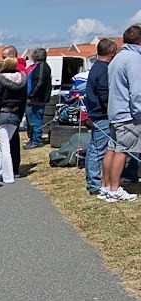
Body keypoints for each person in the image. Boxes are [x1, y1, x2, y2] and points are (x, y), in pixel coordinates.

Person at [101, 24, 141, 203]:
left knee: (112, 149)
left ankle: (106, 186)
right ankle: (115, 189)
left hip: (115, 112)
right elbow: (137, 91)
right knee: (122, 152)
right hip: (128, 114)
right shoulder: (134, 59)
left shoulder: (117, 58)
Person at [0, 57, 27, 184]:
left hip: (2, 114)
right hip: (15, 114)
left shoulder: (0, 80)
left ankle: (8, 176)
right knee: (3, 148)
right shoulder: (22, 79)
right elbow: (24, 100)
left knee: (5, 148)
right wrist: (20, 116)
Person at [84, 38, 119, 196]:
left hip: (97, 113)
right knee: (98, 150)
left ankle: (96, 181)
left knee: (96, 149)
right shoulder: (104, 69)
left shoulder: (95, 67)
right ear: (112, 52)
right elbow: (104, 94)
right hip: (102, 114)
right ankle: (95, 183)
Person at [1, 45, 28, 177]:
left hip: (10, 110)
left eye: (4, 58)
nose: (3, 60)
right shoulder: (22, 70)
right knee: (11, 140)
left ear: (12, 57)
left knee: (8, 142)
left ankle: (9, 170)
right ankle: (11, 168)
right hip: (16, 110)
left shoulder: (18, 71)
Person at [25, 47, 52, 149]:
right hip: (34, 98)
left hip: (36, 99)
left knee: (35, 120)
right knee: (32, 120)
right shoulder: (39, 66)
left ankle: (37, 140)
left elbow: (39, 83)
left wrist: (31, 96)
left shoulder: (42, 67)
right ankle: (32, 139)